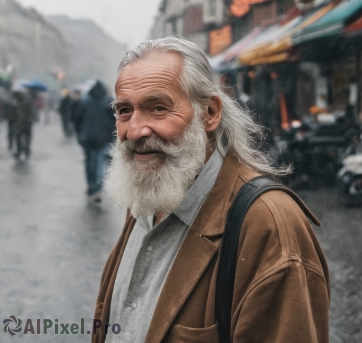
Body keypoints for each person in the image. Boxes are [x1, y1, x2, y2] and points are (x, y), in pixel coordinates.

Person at [93, 37, 329, 343]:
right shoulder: (147, 192)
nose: (135, 130)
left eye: (158, 108)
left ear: (209, 113)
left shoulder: (268, 227)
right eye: (125, 110)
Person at [74, 80, 116, 204]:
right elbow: (115, 121)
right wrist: (113, 136)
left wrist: (80, 133)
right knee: (99, 162)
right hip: (103, 138)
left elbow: (77, 119)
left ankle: (91, 185)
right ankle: (96, 188)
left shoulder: (84, 101)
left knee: (89, 162)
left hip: (87, 138)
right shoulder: (109, 101)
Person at [9, 88, 33, 161]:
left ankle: (22, 151)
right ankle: (25, 151)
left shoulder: (16, 103)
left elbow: (13, 114)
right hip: (25, 123)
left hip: (21, 123)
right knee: (25, 138)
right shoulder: (26, 102)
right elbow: (30, 112)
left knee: (19, 138)